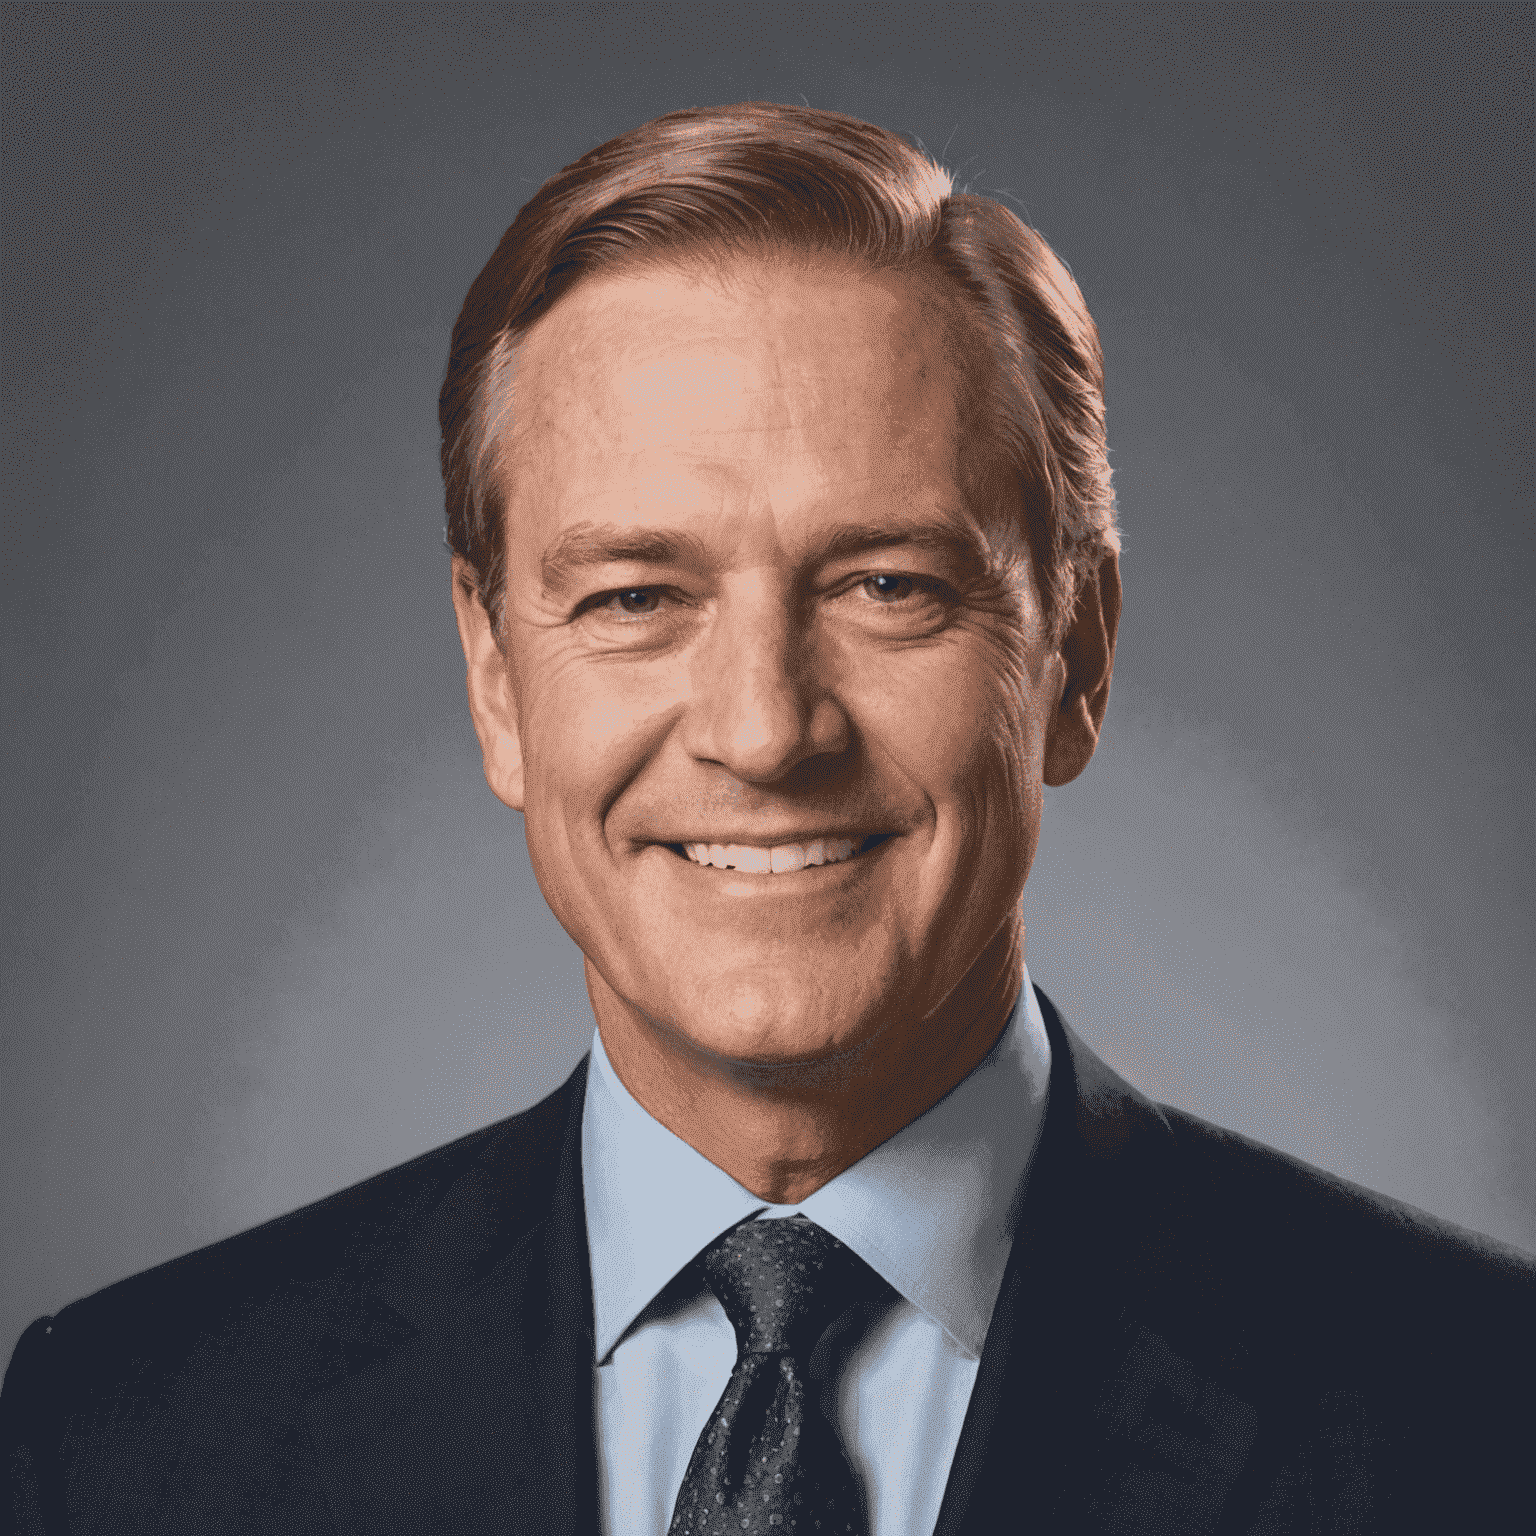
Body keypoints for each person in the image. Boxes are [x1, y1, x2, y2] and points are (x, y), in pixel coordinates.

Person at [2, 102, 1529, 1536]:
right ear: (494, 678)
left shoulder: (1482, 1416)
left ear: (1076, 655)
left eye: (887, 587)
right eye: (635, 597)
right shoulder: (126, 1436)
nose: (761, 730)